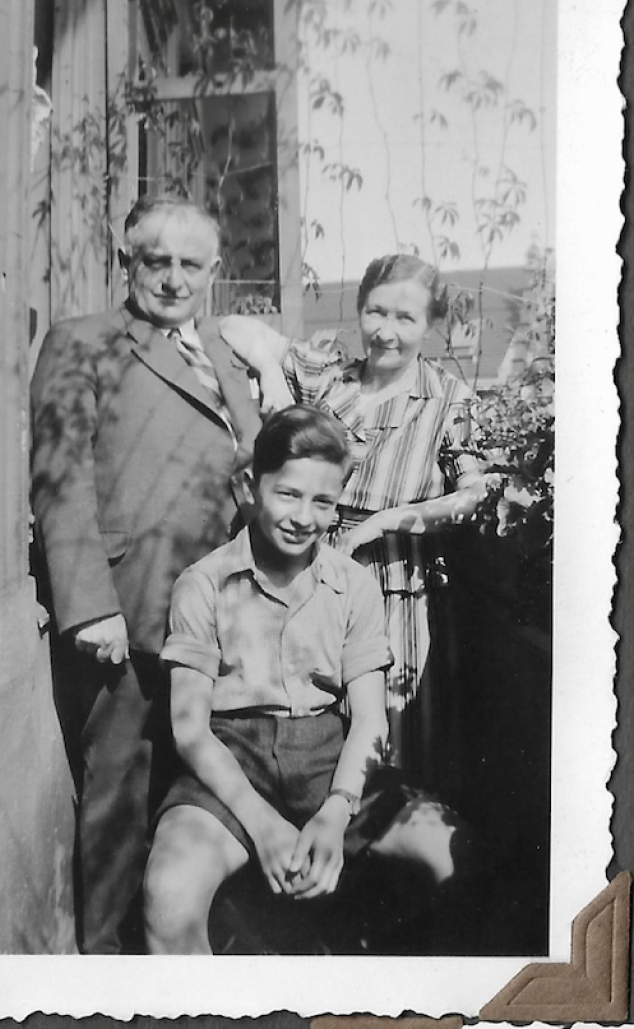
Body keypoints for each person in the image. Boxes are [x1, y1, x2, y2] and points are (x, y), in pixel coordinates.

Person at [144, 406, 482, 957]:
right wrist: (264, 827)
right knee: (169, 894)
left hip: (329, 760)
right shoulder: (203, 584)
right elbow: (190, 731)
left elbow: (369, 719)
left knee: (458, 855)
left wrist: (336, 812)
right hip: (230, 762)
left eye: (323, 502)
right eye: (288, 494)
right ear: (251, 487)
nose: (304, 517)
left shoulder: (353, 584)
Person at [30, 193, 265, 953]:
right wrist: (88, 603)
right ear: (124, 259)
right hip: (129, 611)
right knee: (119, 802)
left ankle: (184, 958)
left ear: (214, 270)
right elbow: (61, 476)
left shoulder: (228, 354)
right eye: (154, 261)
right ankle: (109, 975)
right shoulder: (84, 341)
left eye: (190, 264)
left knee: (198, 798)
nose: (172, 279)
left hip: (222, 616)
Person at [220, 254, 486, 782]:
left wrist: (384, 522)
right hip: (308, 578)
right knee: (305, 726)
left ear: (430, 324)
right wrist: (273, 373)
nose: (386, 331)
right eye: (375, 312)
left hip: (394, 590)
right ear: (360, 309)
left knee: (388, 743)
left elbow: (474, 495)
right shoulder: (327, 379)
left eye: (405, 318)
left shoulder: (447, 400)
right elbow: (230, 326)